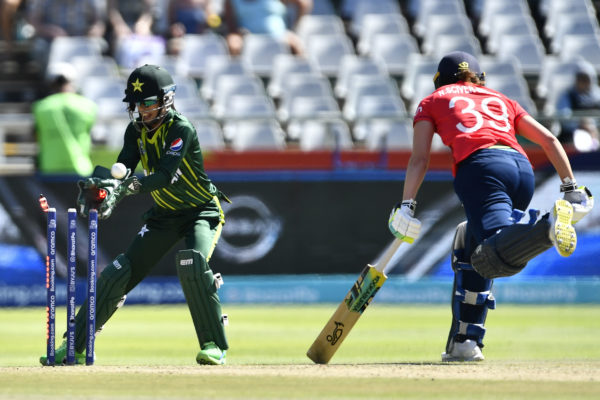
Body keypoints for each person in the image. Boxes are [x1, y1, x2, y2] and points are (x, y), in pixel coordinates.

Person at [388, 52, 594, 362]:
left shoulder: (433, 100)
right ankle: (464, 342)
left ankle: (546, 227)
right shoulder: (501, 98)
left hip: (481, 169)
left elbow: (420, 158)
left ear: (440, 79)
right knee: (469, 247)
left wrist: (407, 205)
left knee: (491, 255)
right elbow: (550, 139)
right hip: (521, 169)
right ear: (480, 78)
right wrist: (570, 187)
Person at [39, 64, 231, 365]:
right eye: (137, 104)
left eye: (148, 103)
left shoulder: (181, 129)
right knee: (117, 273)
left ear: (166, 100)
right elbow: (124, 165)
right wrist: (106, 186)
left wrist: (126, 188)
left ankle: (213, 345)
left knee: (191, 262)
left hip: (200, 211)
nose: (142, 110)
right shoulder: (135, 130)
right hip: (164, 215)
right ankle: (75, 345)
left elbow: (165, 175)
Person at [32, 62, 96, 176]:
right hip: (81, 168)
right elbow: (90, 136)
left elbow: (36, 136)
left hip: (50, 168)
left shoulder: (40, 107)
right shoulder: (88, 106)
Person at [222, 0, 312, 56]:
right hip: (248, 38)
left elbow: (303, 2)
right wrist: (238, 35)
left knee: (296, 45)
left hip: (280, 36)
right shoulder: (231, 1)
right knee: (233, 44)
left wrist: (295, 27)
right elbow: (232, 28)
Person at [556, 59, 600, 150]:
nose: (582, 82)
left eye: (585, 79)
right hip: (571, 138)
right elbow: (564, 118)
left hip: (595, 134)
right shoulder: (567, 95)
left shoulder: (597, 95)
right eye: (580, 78)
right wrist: (581, 124)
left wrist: (591, 125)